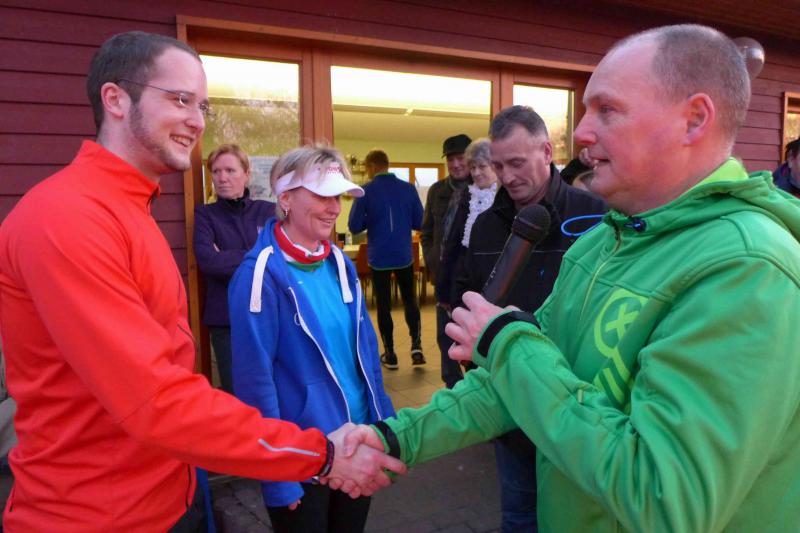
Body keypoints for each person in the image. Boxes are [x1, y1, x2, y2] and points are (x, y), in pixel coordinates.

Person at [348, 24, 800, 532]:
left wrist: (507, 342)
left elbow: (665, 498)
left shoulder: (747, 268)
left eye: (607, 110)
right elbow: (508, 386)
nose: (582, 132)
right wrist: (395, 438)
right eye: (586, 110)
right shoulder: (603, 242)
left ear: (693, 119)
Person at [0, 31, 404, 531]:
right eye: (180, 99)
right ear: (116, 100)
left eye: (203, 106)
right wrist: (317, 456)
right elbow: (156, 401)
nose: (197, 120)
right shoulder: (68, 216)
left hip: (166, 494)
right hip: (96, 514)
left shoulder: (126, 208)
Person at [448, 109, 605, 531]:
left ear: (547, 152)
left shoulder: (597, 215)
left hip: (578, 404)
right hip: (511, 403)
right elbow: (468, 296)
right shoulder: (485, 226)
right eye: (499, 165)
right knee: (519, 514)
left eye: (517, 163)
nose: (508, 176)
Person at [228, 145, 396, 533]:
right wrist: (278, 477)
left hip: (357, 441)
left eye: (338, 197)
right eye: (322, 196)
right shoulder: (258, 277)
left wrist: (385, 427)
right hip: (302, 457)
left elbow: (366, 354)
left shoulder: (339, 263)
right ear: (285, 199)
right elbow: (255, 387)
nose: (334, 208)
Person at [193, 143, 275, 393]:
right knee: (235, 392)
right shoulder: (205, 215)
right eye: (216, 171)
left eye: (230, 170)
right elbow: (209, 261)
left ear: (246, 174)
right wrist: (257, 255)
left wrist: (227, 256)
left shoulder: (267, 212)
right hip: (225, 320)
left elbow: (277, 258)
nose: (222, 178)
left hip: (267, 316)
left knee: (270, 388)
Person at [348, 149, 425, 370]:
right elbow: (419, 222)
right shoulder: (408, 188)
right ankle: (416, 347)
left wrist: (371, 219)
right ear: (387, 164)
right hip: (404, 255)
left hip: (379, 257)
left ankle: (390, 354)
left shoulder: (365, 191)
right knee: (410, 301)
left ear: (372, 166)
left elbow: (354, 226)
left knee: (383, 306)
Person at [434, 138, 498, 384]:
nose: (477, 172)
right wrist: (444, 287)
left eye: (482, 166)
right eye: (473, 167)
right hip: (465, 279)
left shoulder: (504, 197)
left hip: (495, 283)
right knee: (462, 340)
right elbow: (452, 244)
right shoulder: (466, 198)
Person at [421, 133, 472, 388]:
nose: (455, 164)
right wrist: (432, 260)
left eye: (460, 158)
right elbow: (427, 231)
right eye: (450, 159)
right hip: (443, 278)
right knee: (445, 336)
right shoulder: (437, 191)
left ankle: (475, 388)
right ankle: (452, 388)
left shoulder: (483, 188)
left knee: (472, 337)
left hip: (472, 280)